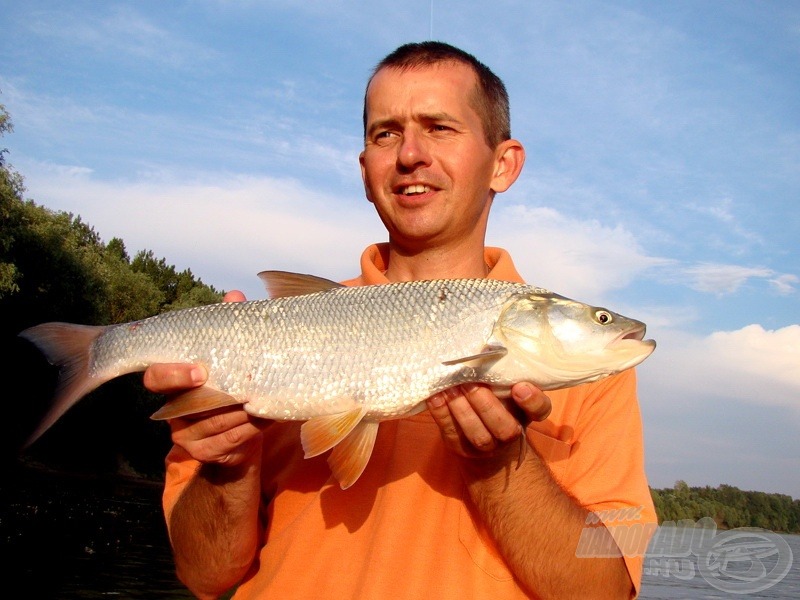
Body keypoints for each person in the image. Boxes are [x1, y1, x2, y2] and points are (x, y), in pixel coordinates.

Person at [144, 41, 657, 599]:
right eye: (386, 133)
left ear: (503, 164)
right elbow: (202, 575)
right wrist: (228, 465)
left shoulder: (600, 373)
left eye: (439, 127)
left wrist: (501, 464)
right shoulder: (270, 340)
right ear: (367, 172)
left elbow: (604, 591)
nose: (411, 154)